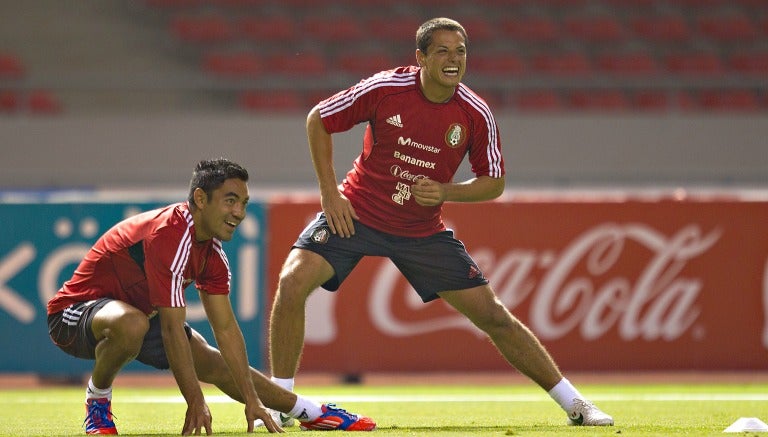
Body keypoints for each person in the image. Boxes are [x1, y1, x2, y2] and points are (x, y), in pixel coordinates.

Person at [264, 17, 614, 428]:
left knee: (494, 317)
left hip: (420, 231)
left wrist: (447, 192)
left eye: (460, 51)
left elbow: (494, 182)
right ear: (421, 58)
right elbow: (318, 119)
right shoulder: (385, 89)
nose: (454, 60)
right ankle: (280, 402)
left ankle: (575, 404)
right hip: (357, 213)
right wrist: (329, 193)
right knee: (291, 283)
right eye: (443, 51)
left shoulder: (475, 112)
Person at [47, 158, 375, 435]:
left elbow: (228, 331)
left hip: (140, 320)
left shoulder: (213, 256)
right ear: (201, 199)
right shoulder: (170, 232)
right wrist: (194, 399)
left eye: (244, 203)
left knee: (211, 361)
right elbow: (172, 328)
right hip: (72, 317)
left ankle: (312, 413)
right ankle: (98, 399)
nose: (239, 212)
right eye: (230, 200)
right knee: (132, 325)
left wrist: (253, 400)